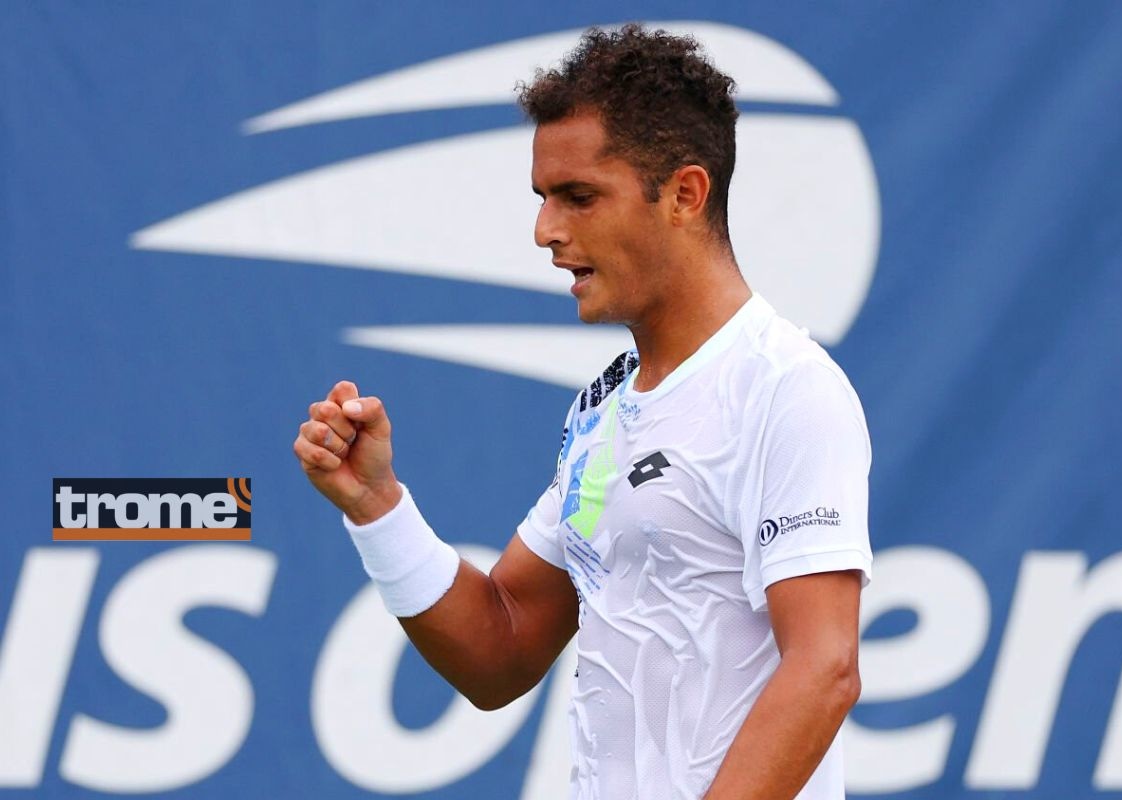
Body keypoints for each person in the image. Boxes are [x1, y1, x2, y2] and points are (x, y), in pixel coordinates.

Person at [294, 24, 872, 800]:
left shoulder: (787, 388)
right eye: (543, 198)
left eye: (579, 197)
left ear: (684, 195)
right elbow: (500, 650)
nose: (546, 232)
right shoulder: (603, 410)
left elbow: (825, 669)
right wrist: (375, 504)